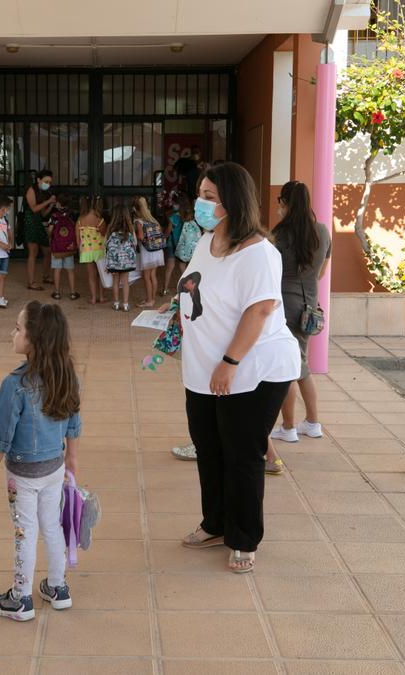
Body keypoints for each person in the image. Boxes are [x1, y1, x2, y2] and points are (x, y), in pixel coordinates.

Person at [175, 162, 300, 574]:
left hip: (253, 369)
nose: (202, 203)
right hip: (203, 369)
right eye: (201, 194)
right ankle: (214, 523)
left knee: (241, 454)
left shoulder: (258, 253)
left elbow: (261, 308)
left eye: (210, 197)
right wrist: (171, 311)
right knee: (209, 450)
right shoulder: (205, 242)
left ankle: (244, 538)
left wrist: (230, 363)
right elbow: (195, 286)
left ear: (234, 202)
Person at [0, 301, 82, 621]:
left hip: (22, 474)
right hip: (54, 467)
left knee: (24, 531)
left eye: (18, 328)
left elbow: (3, 434)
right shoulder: (66, 374)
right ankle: (57, 587)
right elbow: (73, 421)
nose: (12, 333)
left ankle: (21, 597)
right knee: (52, 526)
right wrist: (71, 458)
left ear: (34, 340)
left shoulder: (14, 385)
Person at [268, 181, 332, 449]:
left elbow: (270, 272)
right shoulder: (322, 231)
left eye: (280, 202)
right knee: (301, 365)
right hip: (310, 306)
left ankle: (289, 427)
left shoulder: (281, 235)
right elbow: (322, 271)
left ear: (285, 202)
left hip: (285, 304)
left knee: (287, 367)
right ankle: (313, 423)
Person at [23, 169, 57, 291]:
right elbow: (34, 209)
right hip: (30, 222)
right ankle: (31, 282)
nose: (48, 184)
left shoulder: (43, 192)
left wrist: (52, 204)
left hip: (38, 221)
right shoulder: (31, 190)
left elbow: (43, 213)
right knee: (33, 252)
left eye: (49, 182)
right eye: (46, 181)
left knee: (47, 250)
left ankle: (46, 276)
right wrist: (48, 201)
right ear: (38, 180)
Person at [104, 203, 137, 312]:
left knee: (115, 281)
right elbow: (135, 243)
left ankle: (116, 303)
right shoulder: (130, 228)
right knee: (125, 281)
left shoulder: (110, 228)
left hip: (113, 261)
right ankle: (126, 304)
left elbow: (105, 243)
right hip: (127, 261)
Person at [48, 195, 82, 301]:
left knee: (57, 270)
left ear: (58, 204)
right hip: (69, 247)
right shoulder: (71, 215)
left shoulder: (54, 215)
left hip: (57, 248)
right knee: (70, 270)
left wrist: (51, 238)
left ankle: (57, 293)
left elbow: (50, 230)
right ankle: (72, 293)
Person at [133, 197, 166, 307]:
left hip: (147, 252)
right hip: (157, 250)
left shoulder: (139, 221)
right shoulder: (153, 219)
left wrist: (134, 234)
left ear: (135, 209)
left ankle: (149, 301)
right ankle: (152, 300)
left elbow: (141, 237)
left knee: (146, 277)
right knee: (153, 275)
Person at [76, 196, 107, 305]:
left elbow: (78, 239)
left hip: (86, 251)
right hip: (99, 250)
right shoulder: (100, 219)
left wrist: (80, 249)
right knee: (101, 274)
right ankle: (102, 297)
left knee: (91, 275)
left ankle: (93, 298)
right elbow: (104, 234)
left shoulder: (80, 220)